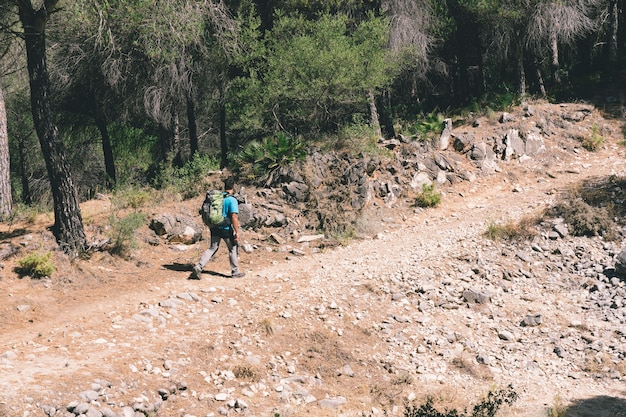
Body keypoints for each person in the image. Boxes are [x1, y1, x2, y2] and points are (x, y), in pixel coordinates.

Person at [190, 177, 245, 279]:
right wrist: (237, 232)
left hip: (214, 227)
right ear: (233, 187)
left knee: (213, 248)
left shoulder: (219, 197)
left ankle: (199, 266)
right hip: (225, 228)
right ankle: (235, 272)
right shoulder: (232, 200)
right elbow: (234, 216)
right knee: (233, 248)